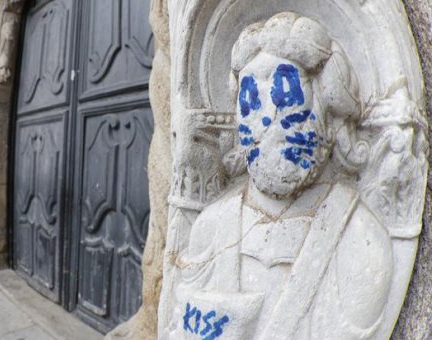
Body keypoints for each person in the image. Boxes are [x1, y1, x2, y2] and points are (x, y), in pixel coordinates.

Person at [161, 13, 392, 340]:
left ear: (329, 111)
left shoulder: (359, 241)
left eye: (285, 95)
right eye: (252, 99)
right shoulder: (211, 228)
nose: (267, 116)